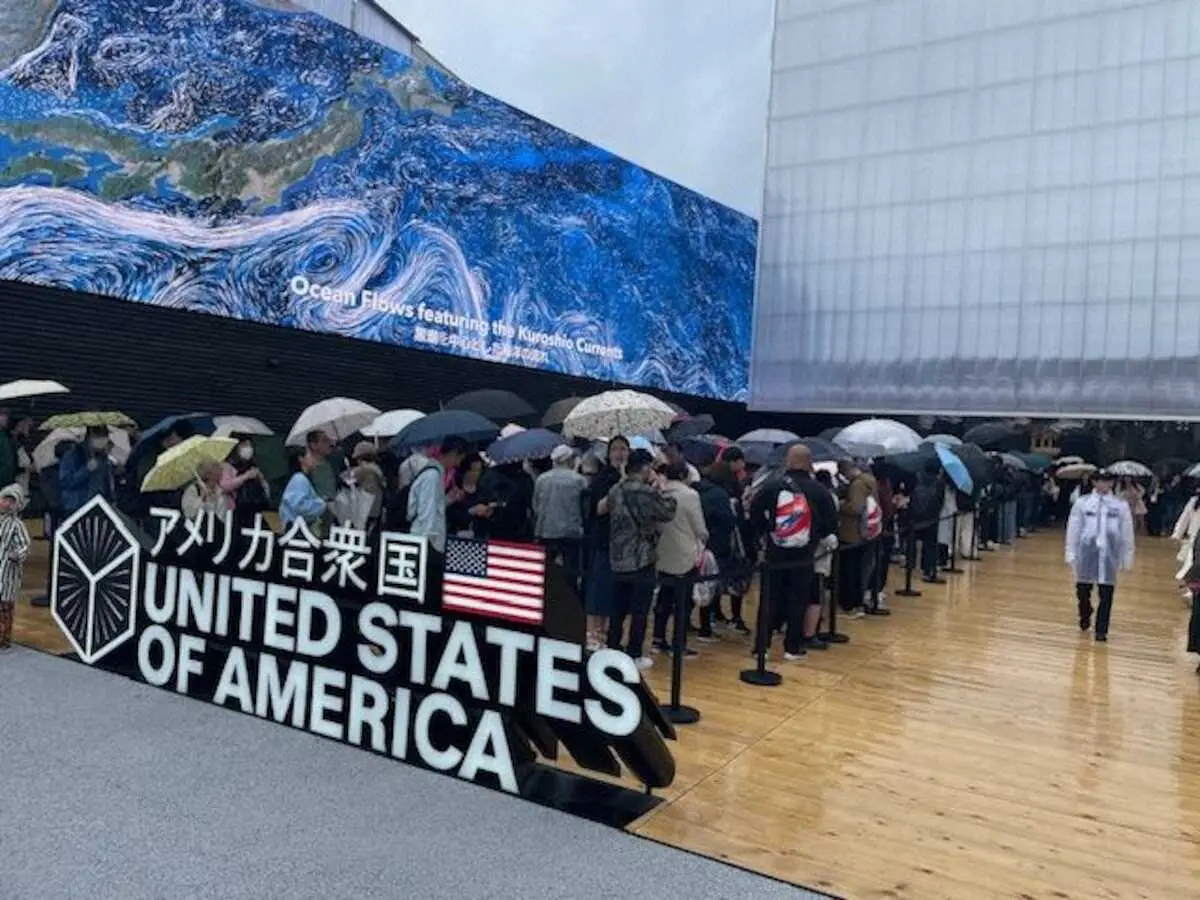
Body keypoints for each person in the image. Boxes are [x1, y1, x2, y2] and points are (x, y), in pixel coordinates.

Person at [749, 444, 837, 661]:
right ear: (809, 463)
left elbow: (754, 512)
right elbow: (830, 524)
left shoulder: (773, 486)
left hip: (775, 551)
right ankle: (792, 647)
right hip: (805, 554)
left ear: (788, 461)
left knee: (769, 599)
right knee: (799, 599)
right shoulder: (819, 490)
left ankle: (761, 646)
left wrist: (766, 532)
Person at [606, 449, 676, 670]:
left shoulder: (615, 489)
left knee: (617, 609)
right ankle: (634, 653)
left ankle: (612, 647)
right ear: (645, 468)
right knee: (639, 610)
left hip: (617, 558)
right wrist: (663, 489)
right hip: (641, 559)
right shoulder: (646, 492)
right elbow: (668, 511)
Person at [1066, 469, 1135, 643]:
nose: (1104, 484)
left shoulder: (1120, 505)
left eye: (1108, 481)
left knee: (1107, 591)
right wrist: (1070, 551)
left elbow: (1127, 532)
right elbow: (1074, 528)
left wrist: (1127, 556)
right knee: (1083, 590)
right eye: (1100, 481)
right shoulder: (1083, 503)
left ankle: (1101, 629)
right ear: (1094, 482)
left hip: (1109, 553)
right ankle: (1085, 612)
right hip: (1086, 551)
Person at [652, 461, 708, 657]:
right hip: (685, 552)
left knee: (664, 599)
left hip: (662, 551)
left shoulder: (660, 493)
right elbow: (699, 527)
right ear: (685, 475)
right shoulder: (690, 496)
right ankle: (679, 644)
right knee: (683, 602)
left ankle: (657, 639)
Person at [582, 436, 630, 652]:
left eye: (624, 449)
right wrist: (619, 484)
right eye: (616, 449)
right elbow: (599, 509)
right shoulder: (603, 478)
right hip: (603, 541)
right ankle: (593, 634)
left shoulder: (632, 478)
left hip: (624, 545)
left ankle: (609, 635)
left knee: (615, 593)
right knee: (598, 589)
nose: (620, 453)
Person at [836, 458, 885, 617]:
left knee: (850, 570)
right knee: (859, 567)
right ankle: (858, 601)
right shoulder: (870, 480)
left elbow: (855, 508)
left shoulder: (857, 485)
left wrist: (840, 503)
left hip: (852, 532)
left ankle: (850, 605)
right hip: (867, 531)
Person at [403, 436, 467, 555]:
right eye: (459, 458)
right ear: (452, 453)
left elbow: (434, 505)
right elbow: (427, 511)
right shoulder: (432, 476)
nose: (458, 464)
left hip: (428, 540)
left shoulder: (436, 474)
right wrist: (427, 542)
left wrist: (449, 499)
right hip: (425, 541)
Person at [533, 445, 587, 570]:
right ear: (569, 459)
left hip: (546, 532)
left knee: (546, 573)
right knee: (571, 573)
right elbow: (585, 509)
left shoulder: (541, 479)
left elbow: (536, 506)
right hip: (572, 533)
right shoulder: (579, 480)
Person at [0, 483, 30, 650]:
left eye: (11, 502)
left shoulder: (16, 525)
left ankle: (4, 638)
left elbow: (24, 546)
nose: (6, 504)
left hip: (7, 572)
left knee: (5, 608)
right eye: (5, 499)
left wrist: (17, 555)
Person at [58, 429, 116, 515]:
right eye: (98, 436)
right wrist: (86, 470)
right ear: (89, 438)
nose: (102, 440)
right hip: (77, 507)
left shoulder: (104, 457)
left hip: (99, 506)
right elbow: (66, 481)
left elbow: (104, 483)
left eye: (105, 436)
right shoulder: (73, 455)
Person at [221, 438, 270, 528]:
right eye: (244, 445)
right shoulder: (227, 465)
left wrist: (261, 479)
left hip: (255, 508)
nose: (249, 448)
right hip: (236, 509)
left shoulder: (253, 465)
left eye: (250, 445)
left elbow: (266, 490)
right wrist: (245, 476)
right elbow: (225, 485)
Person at [280, 445, 329, 533]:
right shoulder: (299, 479)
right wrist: (321, 503)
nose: (315, 460)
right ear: (301, 459)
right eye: (311, 456)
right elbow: (299, 506)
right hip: (297, 529)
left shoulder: (300, 478)